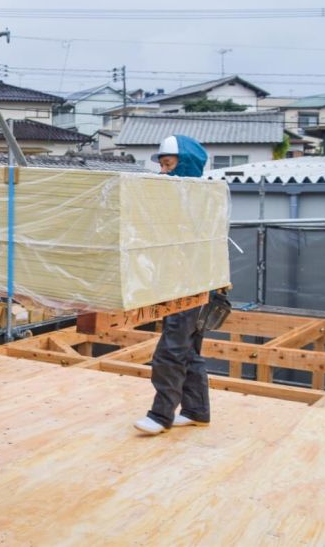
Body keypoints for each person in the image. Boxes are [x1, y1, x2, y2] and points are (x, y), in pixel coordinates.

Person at [134, 134, 212, 436]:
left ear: (186, 164)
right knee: (189, 350)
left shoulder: (195, 201)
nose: (163, 172)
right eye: (162, 166)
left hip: (190, 286)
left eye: (168, 165)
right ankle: (196, 410)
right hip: (192, 284)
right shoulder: (189, 198)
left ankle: (160, 415)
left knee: (170, 350)